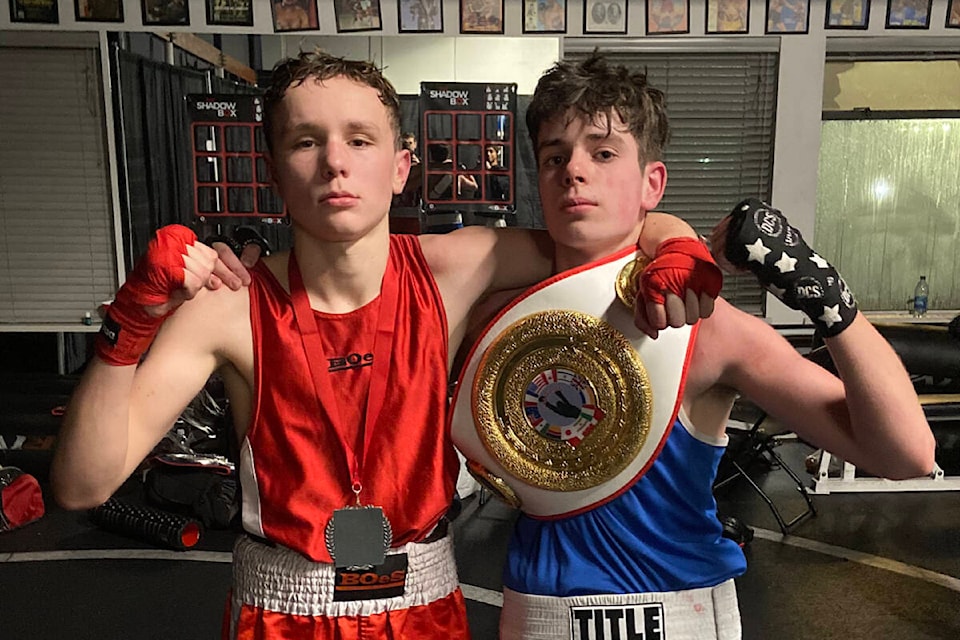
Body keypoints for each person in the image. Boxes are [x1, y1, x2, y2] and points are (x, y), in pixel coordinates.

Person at [50, 50, 713, 640]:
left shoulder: (458, 267)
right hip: (281, 612)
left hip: (423, 605)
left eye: (359, 140)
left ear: (401, 167)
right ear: (276, 174)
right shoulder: (228, 305)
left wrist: (679, 243)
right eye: (307, 142)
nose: (336, 162)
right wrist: (130, 324)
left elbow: (608, 223)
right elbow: (84, 484)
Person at [450, 52, 936, 640]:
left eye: (604, 152)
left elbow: (906, 455)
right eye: (556, 156)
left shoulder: (706, 325)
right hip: (538, 613)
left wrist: (829, 299)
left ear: (652, 181)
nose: (575, 171)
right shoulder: (495, 306)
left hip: (675, 612)